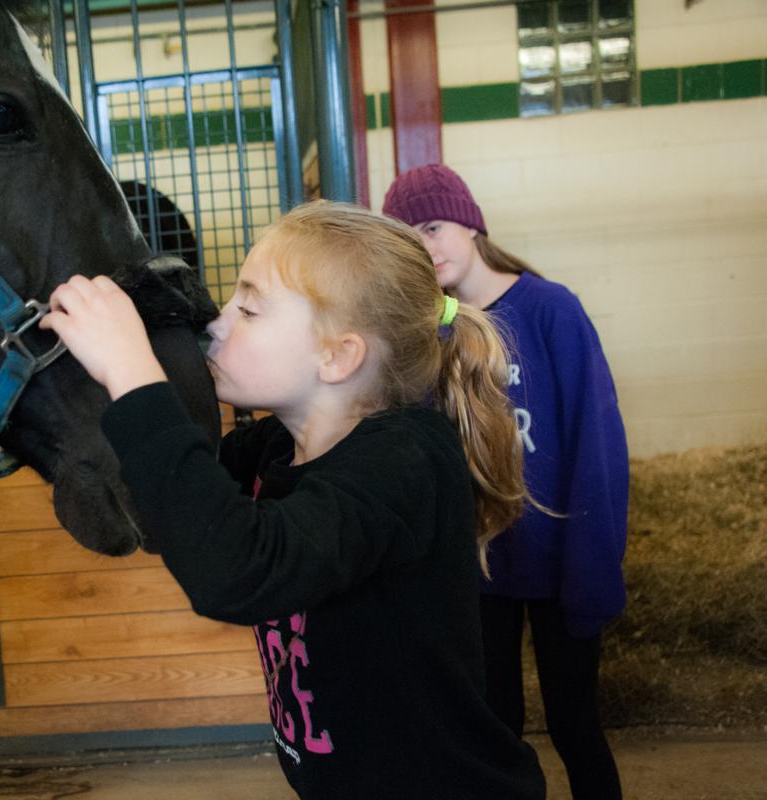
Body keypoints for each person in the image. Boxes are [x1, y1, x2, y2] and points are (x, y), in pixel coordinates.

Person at [39, 201, 546, 799]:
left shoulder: (408, 460)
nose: (220, 323)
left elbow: (236, 570)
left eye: (250, 309)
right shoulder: (276, 447)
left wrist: (132, 369)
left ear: (337, 356)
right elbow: (175, 506)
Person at [384, 164, 628, 800]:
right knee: (496, 733)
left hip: (557, 564)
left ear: (470, 223)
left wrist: (593, 567)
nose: (427, 245)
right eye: (409, 237)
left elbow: (595, 444)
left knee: (577, 727)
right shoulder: (433, 332)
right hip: (479, 570)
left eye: (433, 226)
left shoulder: (551, 311)